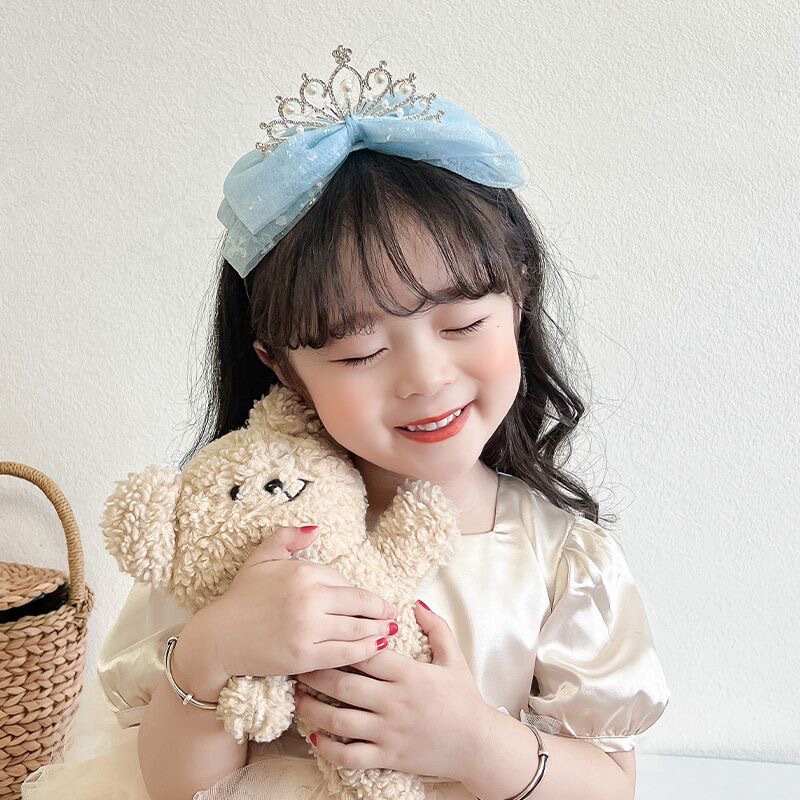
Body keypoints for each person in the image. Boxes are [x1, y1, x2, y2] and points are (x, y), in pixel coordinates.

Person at [21, 44, 670, 800]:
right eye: (361, 352)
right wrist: (213, 650)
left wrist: (474, 743)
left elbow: (610, 782)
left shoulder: (560, 560)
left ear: (519, 298)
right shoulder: (231, 539)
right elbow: (170, 786)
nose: (426, 378)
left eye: (463, 324)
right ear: (280, 365)